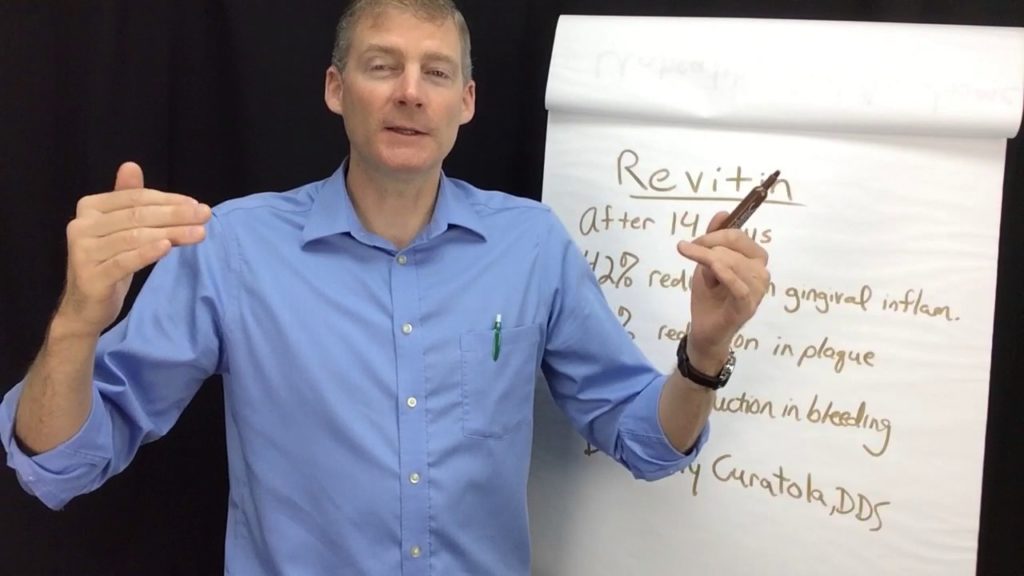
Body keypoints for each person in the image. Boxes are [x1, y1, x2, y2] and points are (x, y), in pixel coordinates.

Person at [0, 0, 770, 574]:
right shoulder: (234, 247)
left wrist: (706, 350)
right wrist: (77, 322)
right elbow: (60, 463)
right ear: (337, 88)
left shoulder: (531, 246)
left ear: (466, 102)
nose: (410, 92)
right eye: (381, 66)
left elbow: (646, 442)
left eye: (436, 72)